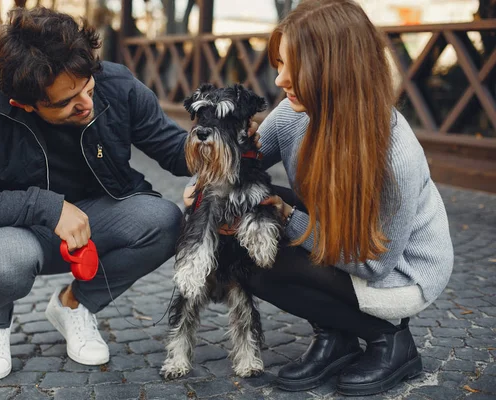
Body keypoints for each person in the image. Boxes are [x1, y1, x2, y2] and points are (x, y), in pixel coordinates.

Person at [182, 0, 453, 396]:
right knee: (244, 232)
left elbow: (374, 265)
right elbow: (245, 160)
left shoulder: (394, 153)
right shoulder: (295, 113)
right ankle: (336, 336)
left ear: (335, 70)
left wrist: (290, 217)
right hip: (340, 236)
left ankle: (389, 340)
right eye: (278, 65)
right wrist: (202, 189)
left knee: (258, 255)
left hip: (399, 274)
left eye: (291, 67)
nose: (279, 80)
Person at [0, 7, 193, 381]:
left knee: (165, 222)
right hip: (13, 230)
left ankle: (74, 305)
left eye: (88, 87)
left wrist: (231, 146)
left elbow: (174, 150)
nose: (87, 103)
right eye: (67, 101)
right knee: (5, 264)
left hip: (94, 220)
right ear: (23, 103)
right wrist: (47, 207)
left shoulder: (115, 84)